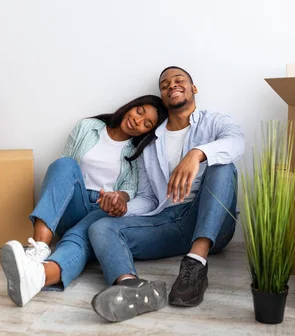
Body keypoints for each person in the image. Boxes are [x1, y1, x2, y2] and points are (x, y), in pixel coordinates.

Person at [88, 66, 245, 322]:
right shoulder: (150, 143)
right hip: (170, 221)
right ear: (163, 97)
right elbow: (150, 198)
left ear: (193, 88)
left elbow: (237, 142)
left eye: (178, 80)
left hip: (212, 222)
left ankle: (196, 261)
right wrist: (124, 207)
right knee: (102, 227)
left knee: (223, 165)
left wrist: (197, 154)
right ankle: (133, 290)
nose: (171, 85)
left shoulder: (214, 122)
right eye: (165, 84)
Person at [0, 95, 168, 307]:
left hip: (101, 207)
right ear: (131, 106)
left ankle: (38, 276)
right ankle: (40, 248)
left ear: (147, 132)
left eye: (147, 124)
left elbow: (129, 190)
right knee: (64, 164)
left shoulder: (137, 152)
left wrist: (118, 199)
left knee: (83, 233)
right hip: (72, 202)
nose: (137, 121)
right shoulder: (88, 127)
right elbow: (62, 173)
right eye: (140, 111)